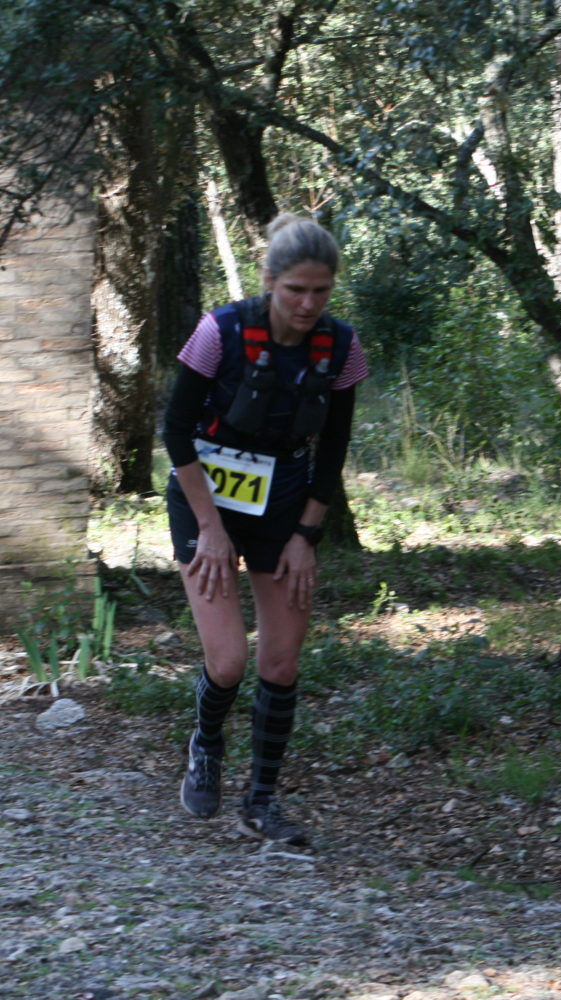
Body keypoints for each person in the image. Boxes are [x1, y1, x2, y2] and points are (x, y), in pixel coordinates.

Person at [161, 213, 368, 845]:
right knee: (229, 661)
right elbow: (175, 430)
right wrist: (211, 528)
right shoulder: (219, 332)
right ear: (270, 281)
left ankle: (262, 801)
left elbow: (333, 450)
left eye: (321, 291)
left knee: (280, 660)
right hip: (206, 497)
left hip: (285, 502)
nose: (308, 304)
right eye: (295, 290)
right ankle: (206, 743)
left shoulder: (342, 347)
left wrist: (307, 537)